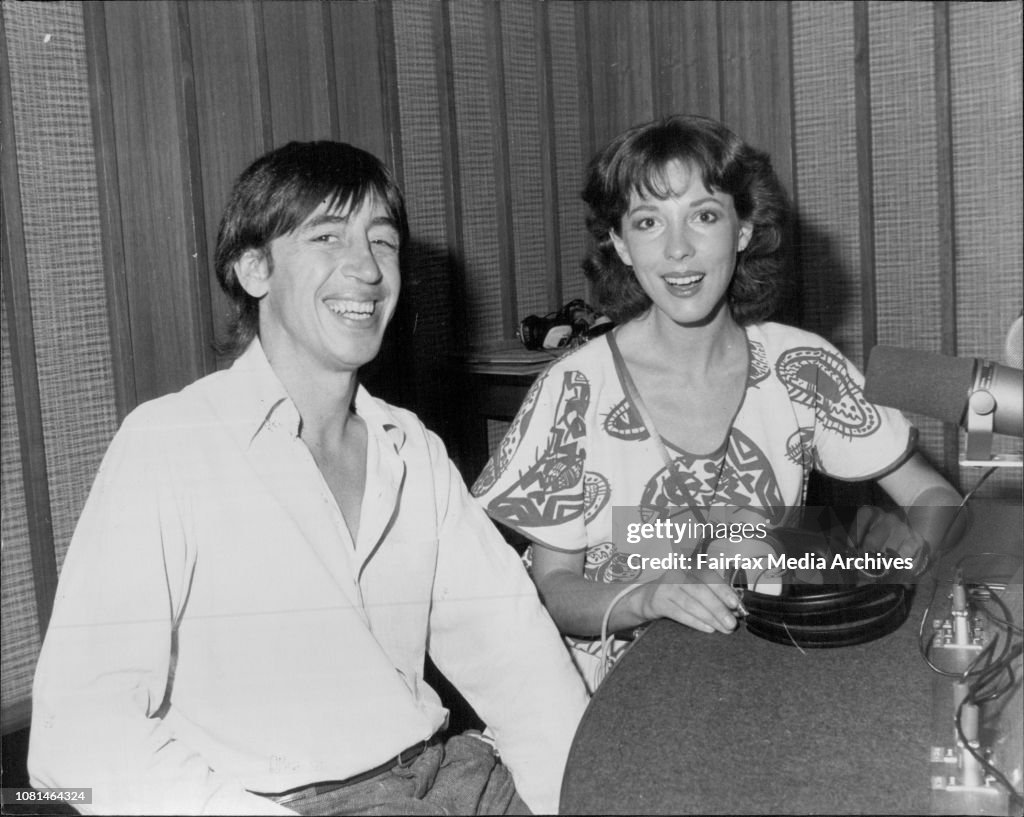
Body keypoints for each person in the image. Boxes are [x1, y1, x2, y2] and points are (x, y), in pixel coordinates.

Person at [29, 141, 589, 815]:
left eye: (382, 243)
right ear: (254, 268)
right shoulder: (170, 444)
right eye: (327, 236)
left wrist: (586, 797)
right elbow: (76, 736)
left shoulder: (410, 448)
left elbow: (520, 663)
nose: (368, 270)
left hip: (452, 776)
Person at [473, 115, 963, 691]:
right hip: (602, 690)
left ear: (743, 230)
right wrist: (650, 598)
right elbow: (554, 589)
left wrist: (889, 575)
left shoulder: (800, 365)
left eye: (704, 216)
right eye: (648, 222)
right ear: (620, 245)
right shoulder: (574, 389)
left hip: (763, 666)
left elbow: (936, 498)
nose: (678, 249)